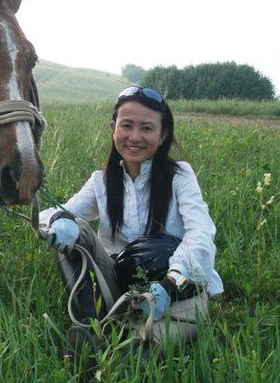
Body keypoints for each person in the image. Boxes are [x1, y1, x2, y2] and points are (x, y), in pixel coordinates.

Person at [39, 86, 223, 356]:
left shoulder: (180, 176)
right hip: (116, 284)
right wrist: (57, 221)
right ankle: (95, 324)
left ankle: (123, 346)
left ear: (163, 136)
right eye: (126, 125)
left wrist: (171, 284)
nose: (134, 137)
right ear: (113, 128)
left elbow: (201, 233)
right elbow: (50, 213)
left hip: (174, 292)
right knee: (71, 228)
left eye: (147, 128)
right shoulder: (101, 181)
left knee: (139, 349)